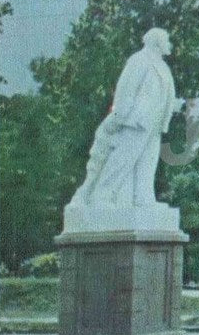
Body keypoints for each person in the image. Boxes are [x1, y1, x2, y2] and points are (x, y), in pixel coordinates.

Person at [69, 28, 184, 208]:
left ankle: (143, 199)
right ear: (156, 42)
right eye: (166, 40)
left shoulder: (163, 67)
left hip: (155, 124)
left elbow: (162, 95)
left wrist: (172, 109)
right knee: (122, 159)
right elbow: (126, 90)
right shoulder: (139, 60)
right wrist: (119, 117)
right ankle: (102, 196)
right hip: (136, 121)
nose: (169, 44)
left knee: (148, 164)